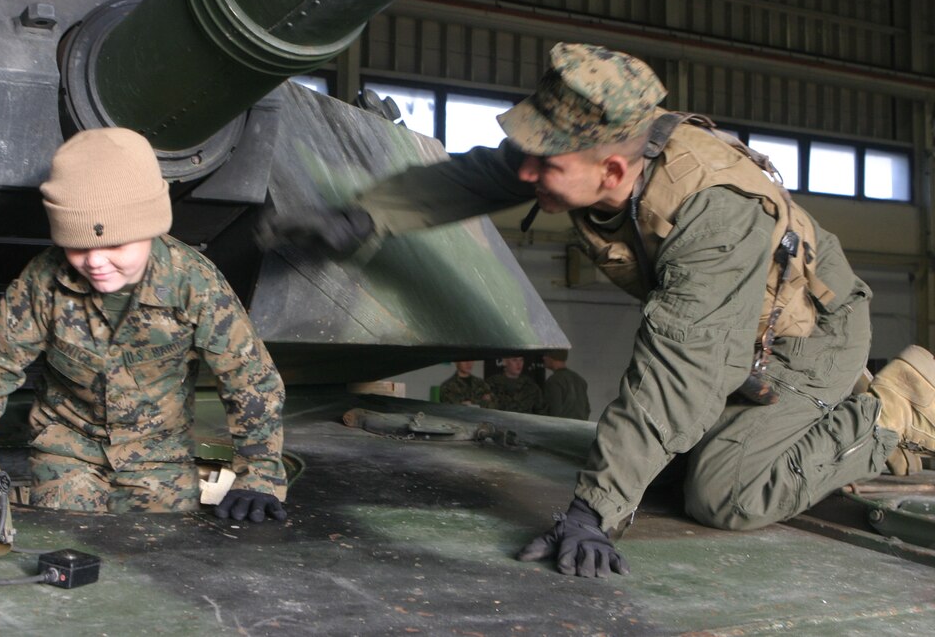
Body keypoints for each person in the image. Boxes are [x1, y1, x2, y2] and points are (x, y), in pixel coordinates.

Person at [258, 42, 935, 576]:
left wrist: (592, 512)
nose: (525, 174)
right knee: (662, 471)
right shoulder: (576, 149)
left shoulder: (715, 213)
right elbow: (473, 177)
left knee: (721, 493)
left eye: (543, 166)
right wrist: (363, 218)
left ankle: (899, 404)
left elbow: (681, 375)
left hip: (808, 341)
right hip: (740, 337)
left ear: (612, 171)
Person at [0, 128, 287, 523]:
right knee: (61, 537)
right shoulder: (42, 281)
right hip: (67, 451)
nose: (95, 262)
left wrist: (259, 477)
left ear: (150, 228)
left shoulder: (193, 283)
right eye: (78, 246)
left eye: (115, 246)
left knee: (164, 550)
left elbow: (250, 380)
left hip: (159, 456)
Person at [542, 349, 589, 420]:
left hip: (562, 428)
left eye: (546, 355)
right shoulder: (580, 380)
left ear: (551, 357)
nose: (543, 358)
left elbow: (554, 411)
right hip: (580, 427)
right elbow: (587, 409)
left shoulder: (554, 381)